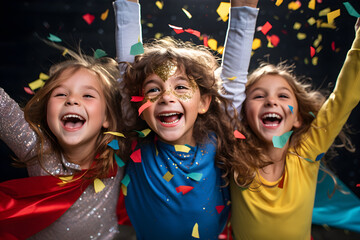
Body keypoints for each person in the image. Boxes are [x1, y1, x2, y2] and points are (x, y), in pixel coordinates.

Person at [116, 0, 259, 239]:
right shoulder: (138, 143)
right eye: (153, 90)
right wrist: (126, 5)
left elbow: (232, 85)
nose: (166, 97)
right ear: (138, 103)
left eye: (180, 87)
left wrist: (243, 12)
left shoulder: (217, 142)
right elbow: (127, 74)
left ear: (203, 103)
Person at [225, 19, 360, 239]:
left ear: (297, 118)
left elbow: (343, 99)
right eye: (259, 96)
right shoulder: (235, 154)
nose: (271, 101)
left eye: (283, 96)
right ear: (243, 115)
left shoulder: (306, 152)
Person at [0, 49, 126, 239]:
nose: (72, 100)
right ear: (47, 113)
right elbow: (3, 109)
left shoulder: (119, 150)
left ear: (107, 117)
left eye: (88, 95)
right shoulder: (39, 149)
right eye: (60, 94)